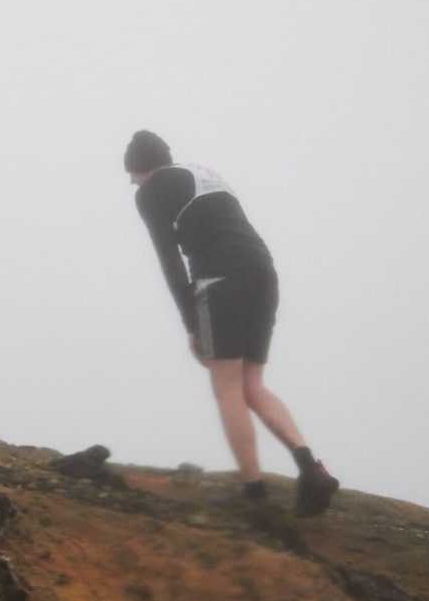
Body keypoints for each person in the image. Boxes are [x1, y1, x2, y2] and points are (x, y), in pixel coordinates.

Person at [123, 130, 338, 517]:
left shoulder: (152, 190)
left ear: (140, 170)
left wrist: (191, 323)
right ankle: (311, 469)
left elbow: (169, 259)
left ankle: (253, 493)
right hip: (262, 275)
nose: (132, 184)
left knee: (226, 388)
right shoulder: (203, 173)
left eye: (132, 176)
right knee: (252, 385)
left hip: (220, 280)